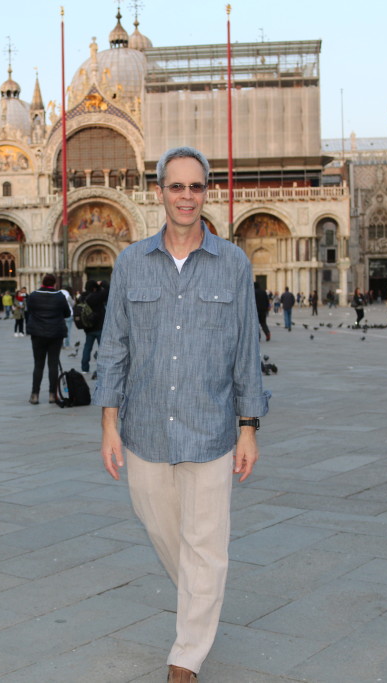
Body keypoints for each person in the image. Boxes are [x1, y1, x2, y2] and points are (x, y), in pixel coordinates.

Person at [95, 146, 269, 683]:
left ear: (205, 193)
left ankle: (186, 656)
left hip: (212, 427)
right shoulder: (129, 263)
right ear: (160, 192)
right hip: (144, 429)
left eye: (196, 187)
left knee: (206, 545)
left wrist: (248, 427)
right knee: (165, 532)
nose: (186, 197)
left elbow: (246, 351)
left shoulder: (234, 263)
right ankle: (200, 602)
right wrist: (108, 423)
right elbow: (114, 346)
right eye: (177, 187)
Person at [26, 274, 71, 404]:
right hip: (55, 334)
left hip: (38, 334)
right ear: (54, 283)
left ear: (42, 282)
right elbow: (67, 313)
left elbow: (29, 310)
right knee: (53, 364)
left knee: (38, 365)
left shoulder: (33, 295)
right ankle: (52, 395)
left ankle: (35, 395)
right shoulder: (59, 296)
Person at [80, 280, 109, 374]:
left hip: (88, 327)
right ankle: (103, 367)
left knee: (87, 347)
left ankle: (84, 368)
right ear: (94, 288)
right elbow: (109, 289)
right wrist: (102, 283)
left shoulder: (82, 297)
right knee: (102, 348)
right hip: (99, 326)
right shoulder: (97, 296)